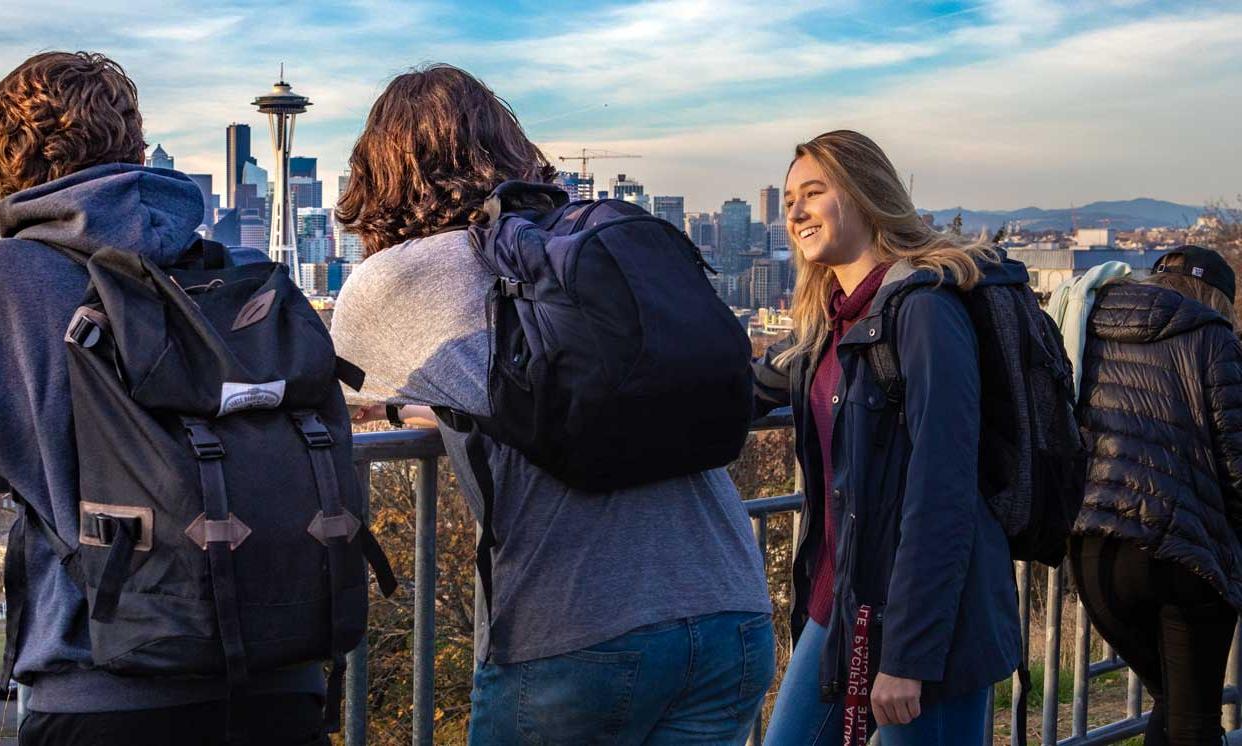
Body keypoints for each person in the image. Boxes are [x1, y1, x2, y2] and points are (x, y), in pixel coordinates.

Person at [0, 51, 327, 746]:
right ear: (133, 148)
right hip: (281, 680)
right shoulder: (233, 270)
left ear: (1, 166)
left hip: (106, 691)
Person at [330, 63, 774, 746]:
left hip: (577, 633)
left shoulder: (392, 281)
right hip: (731, 610)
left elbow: (340, 396)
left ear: (383, 172)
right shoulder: (586, 249)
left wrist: (405, 409)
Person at [753, 130, 1021, 745]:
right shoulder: (832, 323)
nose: (794, 212)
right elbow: (749, 384)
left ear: (866, 196)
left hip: (925, 625)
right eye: (790, 197)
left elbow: (943, 492)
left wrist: (910, 656)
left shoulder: (925, 310)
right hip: (844, 603)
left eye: (813, 192)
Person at [1065, 245, 1242, 746]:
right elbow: (1235, 458)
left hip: (1096, 552)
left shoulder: (1088, 325)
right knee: (1194, 721)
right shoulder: (1212, 337)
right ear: (1219, 298)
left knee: (1171, 704)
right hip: (1187, 556)